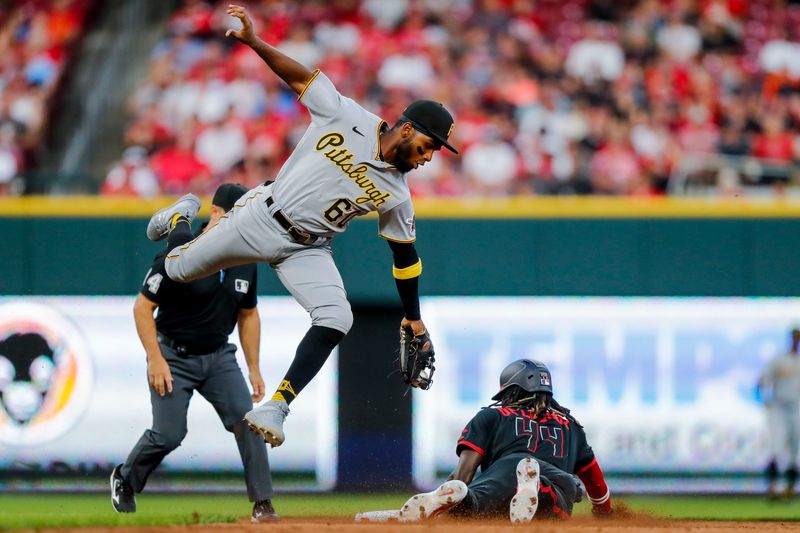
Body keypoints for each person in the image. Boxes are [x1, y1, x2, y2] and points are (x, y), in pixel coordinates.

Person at [142, 4, 458, 448]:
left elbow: (405, 258)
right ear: (406, 129)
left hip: (309, 248)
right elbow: (300, 77)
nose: (429, 157)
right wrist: (254, 42)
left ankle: (277, 406)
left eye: (436, 152)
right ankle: (180, 217)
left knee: (337, 317)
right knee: (175, 272)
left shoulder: (398, 194)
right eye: (429, 145)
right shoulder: (346, 115)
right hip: (259, 217)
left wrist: (413, 317)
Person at [110, 183, 278, 523]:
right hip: (174, 355)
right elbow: (143, 308)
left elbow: (248, 313)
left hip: (218, 356)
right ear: (216, 213)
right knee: (169, 434)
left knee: (249, 422)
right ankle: (125, 479)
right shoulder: (179, 254)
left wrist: (254, 367)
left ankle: (263, 503)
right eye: (238, 214)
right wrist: (156, 358)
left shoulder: (245, 260)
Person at [399, 359, 613, 522]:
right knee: (568, 485)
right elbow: (598, 486)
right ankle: (537, 488)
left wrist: (450, 499)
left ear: (511, 391)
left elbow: (462, 477)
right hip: (555, 494)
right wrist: (605, 513)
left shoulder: (492, 416)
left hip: (504, 477)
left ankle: (466, 502)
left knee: (471, 503)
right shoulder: (572, 427)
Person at [759, 327, 800, 500]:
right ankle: (772, 487)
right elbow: (761, 381)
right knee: (776, 446)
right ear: (790, 338)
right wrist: (764, 401)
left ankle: (790, 489)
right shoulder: (779, 360)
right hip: (779, 407)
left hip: (796, 407)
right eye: (795, 337)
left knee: (794, 449)